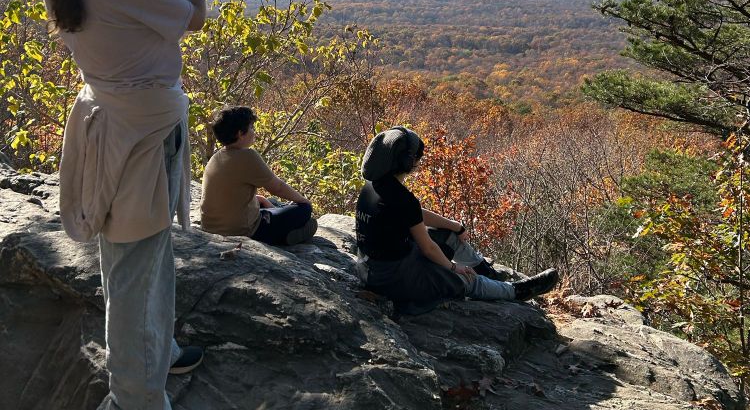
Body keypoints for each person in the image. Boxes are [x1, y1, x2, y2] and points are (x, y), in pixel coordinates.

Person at [40, 0, 207, 410]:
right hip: (141, 138)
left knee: (133, 257)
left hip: (114, 126)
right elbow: (193, 17)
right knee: (138, 268)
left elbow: (128, 8)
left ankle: (157, 352)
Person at [355, 126, 559, 312]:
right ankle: (516, 291)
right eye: (417, 157)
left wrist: (455, 226)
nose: (419, 161)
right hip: (392, 279)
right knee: (466, 279)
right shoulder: (401, 198)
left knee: (449, 235)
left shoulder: (374, 186)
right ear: (407, 161)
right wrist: (454, 267)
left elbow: (415, 214)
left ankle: (490, 276)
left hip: (373, 268)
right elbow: (428, 248)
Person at [201, 105, 317, 245]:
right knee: (305, 211)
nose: (254, 132)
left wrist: (260, 199)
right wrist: (305, 202)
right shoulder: (247, 156)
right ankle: (285, 237)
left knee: (271, 201)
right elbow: (277, 187)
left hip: (210, 228)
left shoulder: (217, 157)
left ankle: (283, 227)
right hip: (244, 231)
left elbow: (228, 193)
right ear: (240, 133)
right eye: (251, 128)